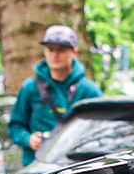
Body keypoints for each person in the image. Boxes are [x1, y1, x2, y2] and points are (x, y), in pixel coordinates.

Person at [8, 26, 101, 158]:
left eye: (61, 50)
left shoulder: (89, 90)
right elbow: (15, 127)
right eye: (50, 49)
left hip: (74, 165)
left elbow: (100, 131)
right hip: (38, 165)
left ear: (74, 52)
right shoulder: (30, 87)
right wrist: (28, 139)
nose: (55, 55)